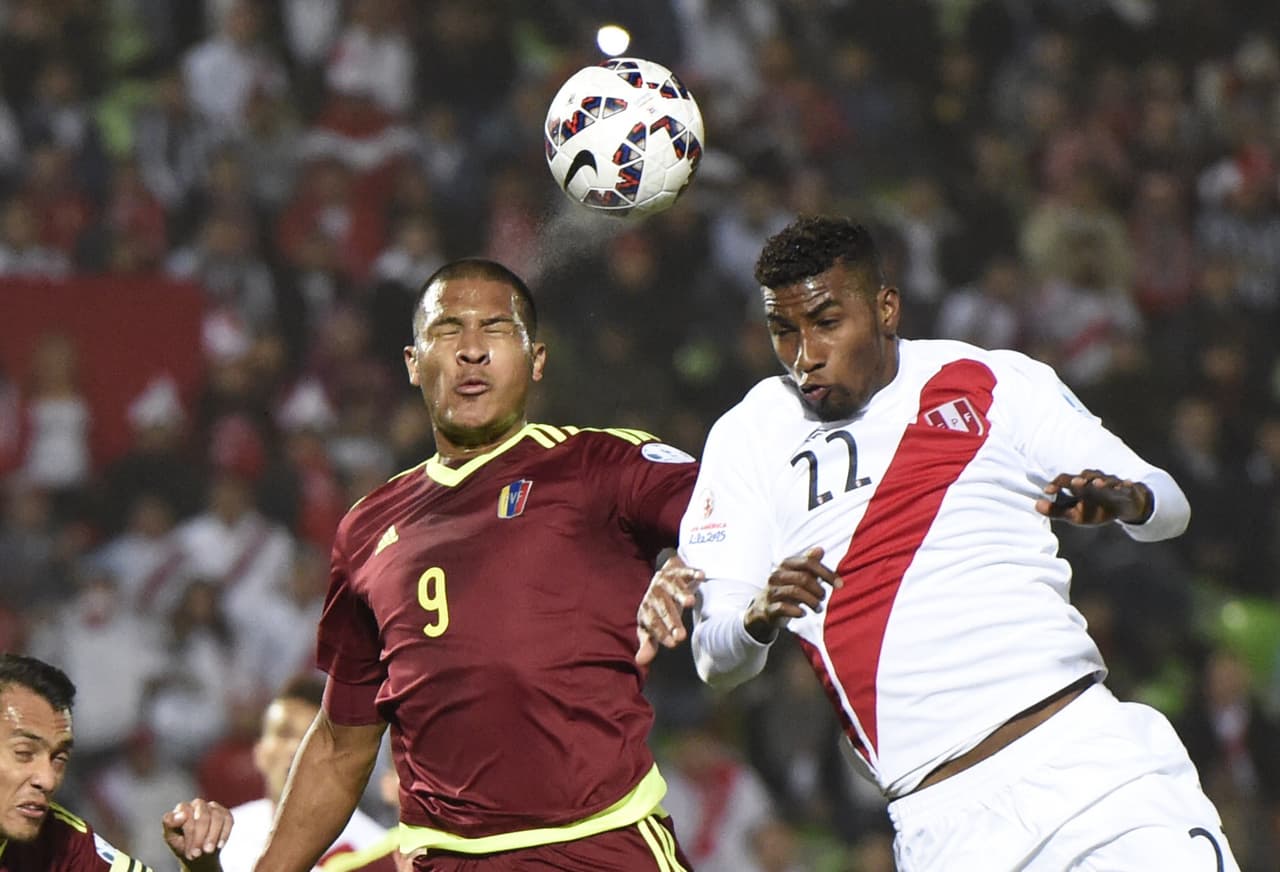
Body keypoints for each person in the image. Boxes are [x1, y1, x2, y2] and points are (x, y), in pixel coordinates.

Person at [636, 216, 1242, 871]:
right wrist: (758, 618)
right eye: (785, 330)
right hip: (942, 828)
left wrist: (1128, 500)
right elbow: (715, 657)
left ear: (886, 307)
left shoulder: (991, 381)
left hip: (1091, 769)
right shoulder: (748, 435)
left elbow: (1168, 502)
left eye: (827, 321)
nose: (805, 352)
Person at [252, 258, 697, 871]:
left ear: (536, 360)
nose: (471, 351)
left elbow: (730, 513)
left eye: (495, 329)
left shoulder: (601, 465)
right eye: (447, 330)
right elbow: (341, 743)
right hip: (444, 859)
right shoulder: (367, 529)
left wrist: (687, 556)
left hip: (598, 847)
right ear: (413, 362)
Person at [0, 652, 233, 871]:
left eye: (59, 758)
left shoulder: (65, 844)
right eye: (24, 753)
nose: (48, 780)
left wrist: (202, 866)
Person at [220, 673, 396, 872]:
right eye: (284, 733)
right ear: (259, 752)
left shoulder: (373, 851)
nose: (296, 749)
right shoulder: (226, 835)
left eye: (308, 739)